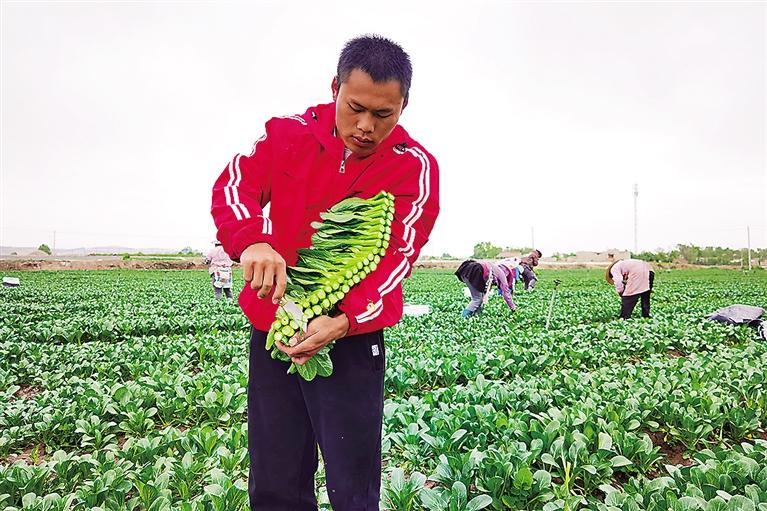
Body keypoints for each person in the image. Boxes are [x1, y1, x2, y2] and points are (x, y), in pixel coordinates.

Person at [210, 35, 439, 510]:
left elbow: (399, 254)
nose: (365, 127)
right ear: (335, 86)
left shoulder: (411, 166)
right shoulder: (287, 136)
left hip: (351, 338)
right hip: (275, 328)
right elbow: (235, 185)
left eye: (383, 114)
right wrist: (253, 239)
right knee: (275, 478)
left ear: (404, 106)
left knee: (353, 484)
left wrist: (347, 317)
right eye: (354, 107)